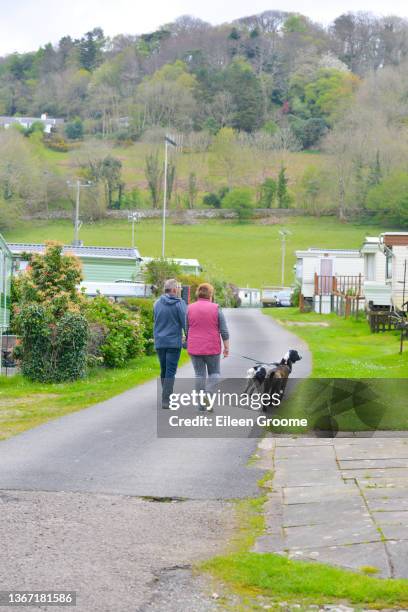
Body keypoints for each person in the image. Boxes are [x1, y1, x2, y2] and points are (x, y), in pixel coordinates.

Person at [186, 283, 230, 411]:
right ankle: (208, 395)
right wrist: (226, 347)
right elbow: (224, 331)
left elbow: (187, 328)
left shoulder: (189, 308)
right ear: (210, 294)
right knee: (214, 373)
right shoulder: (216, 308)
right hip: (212, 347)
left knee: (199, 375)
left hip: (194, 347)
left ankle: (201, 405)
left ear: (198, 294)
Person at [154, 279, 187, 409]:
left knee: (164, 370)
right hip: (173, 342)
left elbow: (156, 321)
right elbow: (185, 323)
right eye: (178, 288)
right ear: (173, 290)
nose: (180, 290)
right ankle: (166, 399)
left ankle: (166, 395)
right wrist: (188, 338)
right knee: (170, 372)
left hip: (160, 342)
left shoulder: (156, 303)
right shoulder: (180, 304)